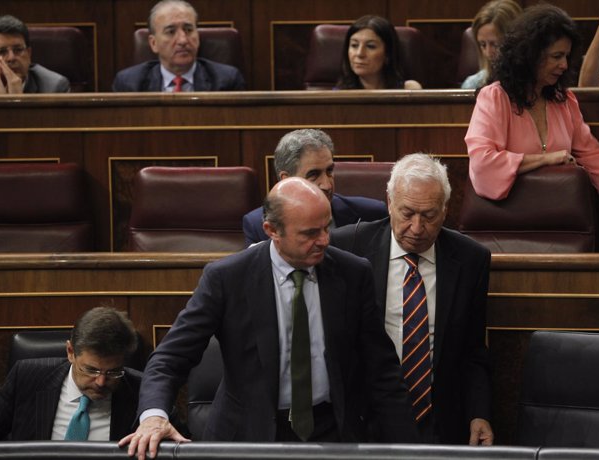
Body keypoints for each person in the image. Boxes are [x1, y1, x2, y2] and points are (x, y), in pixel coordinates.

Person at [119, 177, 419, 459]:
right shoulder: (227, 278)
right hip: (247, 437)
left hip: (332, 433)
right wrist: (153, 416)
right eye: (310, 233)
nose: (325, 240)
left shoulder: (353, 273)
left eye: (326, 227)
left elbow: (382, 371)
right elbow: (169, 359)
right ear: (271, 230)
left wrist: (411, 448)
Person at [330, 153, 493, 445]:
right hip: (365, 419)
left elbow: (473, 351)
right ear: (389, 204)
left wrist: (479, 414)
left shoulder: (471, 259)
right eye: (407, 214)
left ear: (445, 210)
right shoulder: (349, 246)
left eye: (429, 216)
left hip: (439, 421)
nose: (417, 229)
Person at [464, 3, 599, 201]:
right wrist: (546, 159)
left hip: (561, 213)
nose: (564, 65)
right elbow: (483, 164)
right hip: (509, 215)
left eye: (567, 57)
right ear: (530, 55)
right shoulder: (494, 97)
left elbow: (596, 158)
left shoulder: (564, 100)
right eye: (556, 56)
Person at [0, 307, 141, 440]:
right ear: (70, 352)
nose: (101, 382)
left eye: (113, 372)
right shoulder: (27, 377)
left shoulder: (141, 391)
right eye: (91, 370)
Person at [242, 129, 388, 246]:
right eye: (313, 175)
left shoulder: (370, 214)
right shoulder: (257, 224)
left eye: (329, 171)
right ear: (286, 180)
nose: (326, 184)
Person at [112, 0, 245, 92]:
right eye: (170, 32)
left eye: (188, 30)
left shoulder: (227, 81)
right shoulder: (129, 84)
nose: (183, 40)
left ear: (197, 36)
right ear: (154, 43)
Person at [336, 15, 422, 90]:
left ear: (388, 54)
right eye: (354, 45)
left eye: (370, 46)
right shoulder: (337, 96)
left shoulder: (407, 90)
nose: (359, 54)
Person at [0, 14, 70, 94]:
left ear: (29, 53)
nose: (11, 58)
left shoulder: (54, 87)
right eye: (1, 52)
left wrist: (16, 101)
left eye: (18, 50)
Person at [461, 0, 522, 90]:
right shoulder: (472, 84)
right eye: (483, 44)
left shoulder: (536, 83)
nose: (488, 53)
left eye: (495, 45)